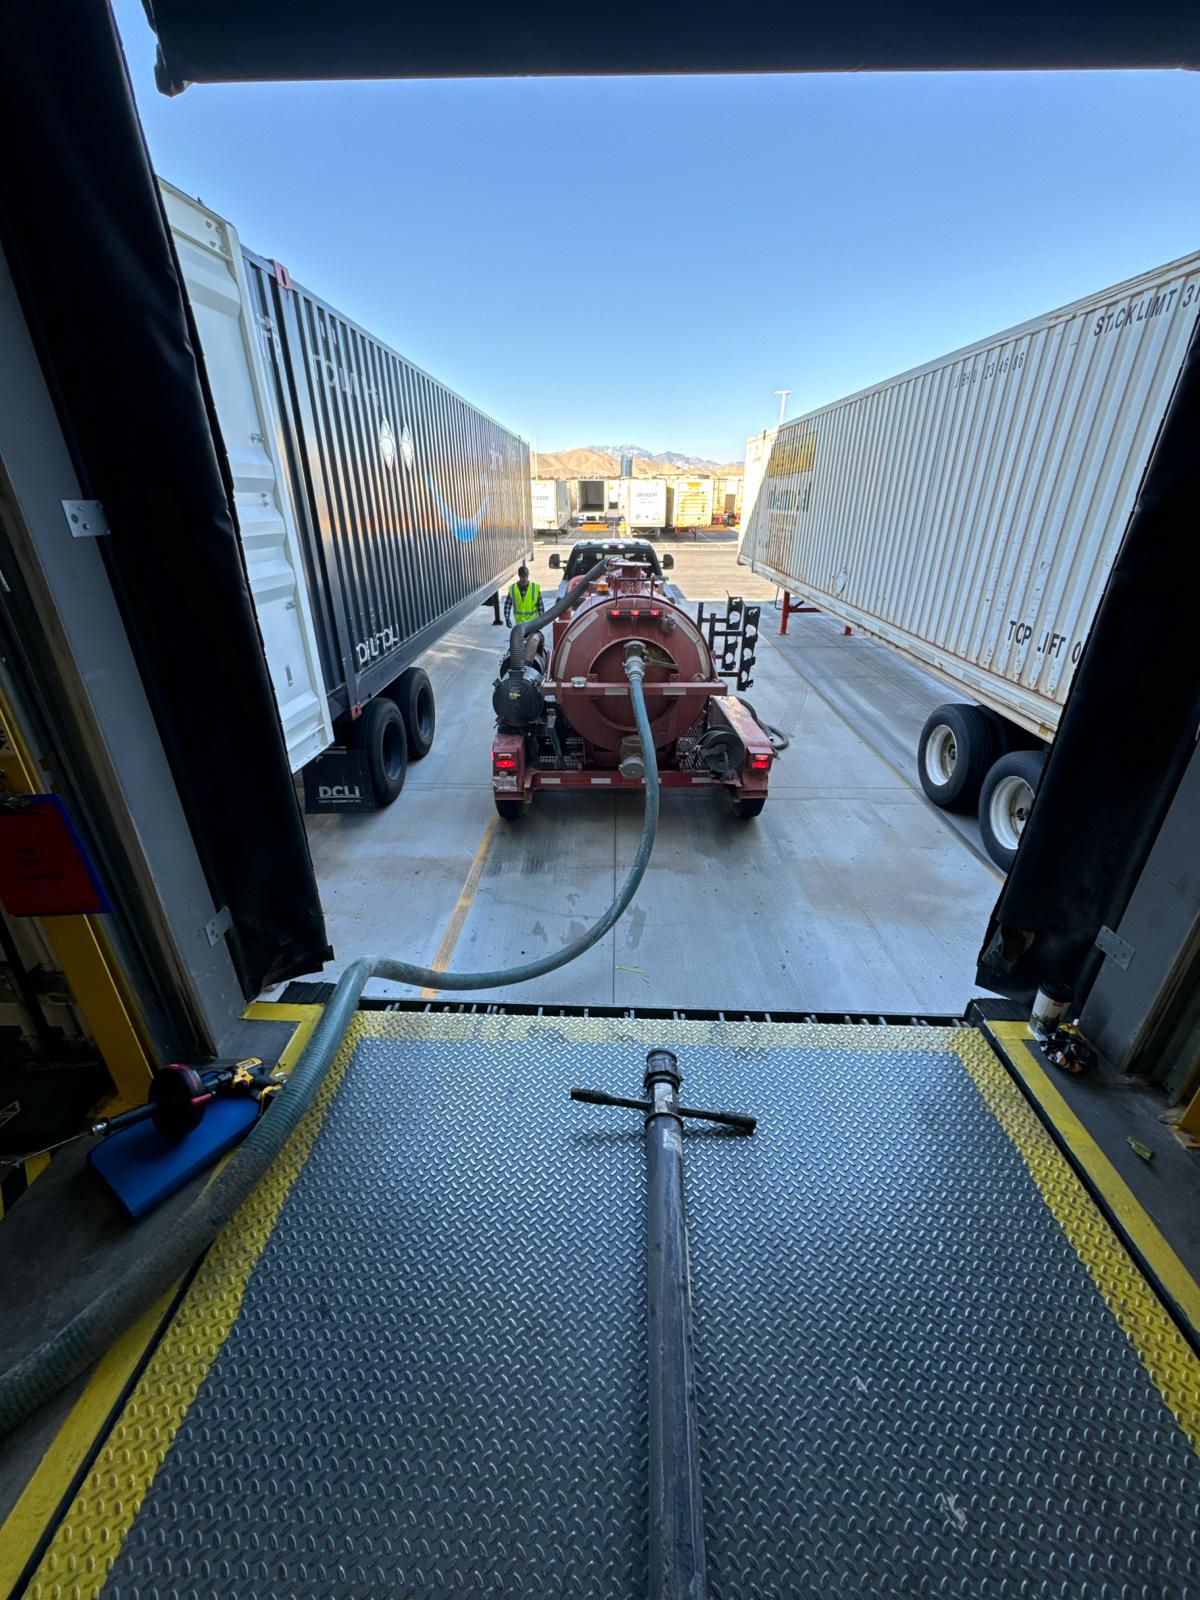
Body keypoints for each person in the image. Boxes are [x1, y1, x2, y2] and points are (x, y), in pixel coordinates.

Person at [503, 563, 543, 628]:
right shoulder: (513, 589)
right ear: (519, 576)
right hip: (520, 624)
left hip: (533, 622)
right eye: (522, 577)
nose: (525, 579)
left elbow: (540, 605)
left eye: (526, 576)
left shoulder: (534, 588)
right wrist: (507, 618)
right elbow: (507, 604)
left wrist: (542, 620)